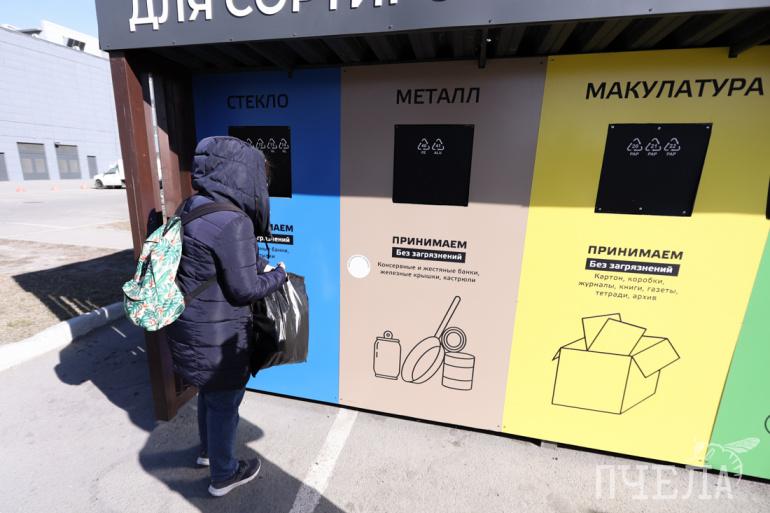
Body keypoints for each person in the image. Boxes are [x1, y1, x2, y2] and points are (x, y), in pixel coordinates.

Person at [166, 136, 287, 497]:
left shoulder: (194, 206)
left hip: (191, 325)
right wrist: (278, 275)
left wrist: (258, 265)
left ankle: (208, 452)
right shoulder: (234, 220)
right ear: (243, 175)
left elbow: (217, 260)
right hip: (218, 335)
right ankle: (224, 474)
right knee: (225, 404)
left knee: (210, 395)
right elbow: (244, 290)